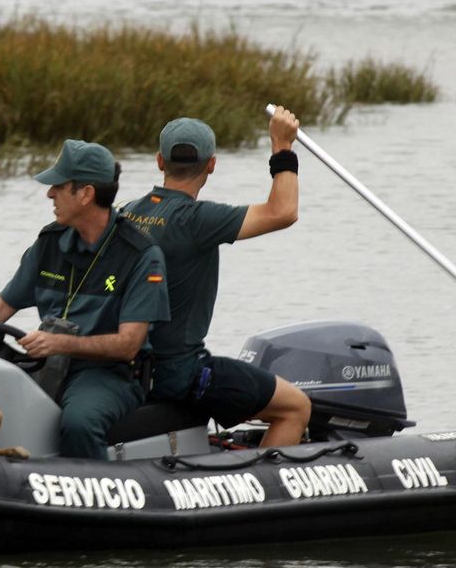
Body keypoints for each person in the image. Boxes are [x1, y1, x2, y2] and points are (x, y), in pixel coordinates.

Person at [0, 139, 169, 459]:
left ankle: (93, 500)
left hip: (109, 374)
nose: (49, 193)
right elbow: (1, 304)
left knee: (80, 423)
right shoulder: (50, 242)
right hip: (46, 363)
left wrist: (60, 344)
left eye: (58, 186)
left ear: (85, 194)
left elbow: (129, 343)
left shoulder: (140, 254)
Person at [121, 108, 313, 446]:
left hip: (133, 370)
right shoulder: (197, 219)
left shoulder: (126, 213)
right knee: (295, 407)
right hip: (181, 373)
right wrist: (283, 146)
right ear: (211, 164)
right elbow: (283, 212)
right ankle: (261, 491)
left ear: (159, 161)